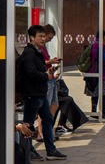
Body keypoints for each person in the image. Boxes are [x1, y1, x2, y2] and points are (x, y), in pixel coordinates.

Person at [17, 25, 67, 161]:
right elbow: (30, 73)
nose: (43, 39)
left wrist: (48, 72)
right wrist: (46, 76)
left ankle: (51, 150)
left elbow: (39, 69)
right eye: (40, 36)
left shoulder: (38, 51)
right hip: (32, 93)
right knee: (28, 124)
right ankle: (28, 150)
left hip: (40, 93)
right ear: (32, 37)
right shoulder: (29, 53)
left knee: (48, 119)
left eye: (44, 36)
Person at [82, 29, 105, 121]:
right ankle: (104, 113)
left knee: (95, 93)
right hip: (102, 73)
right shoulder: (102, 46)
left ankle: (93, 112)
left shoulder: (92, 45)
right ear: (104, 37)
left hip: (91, 73)